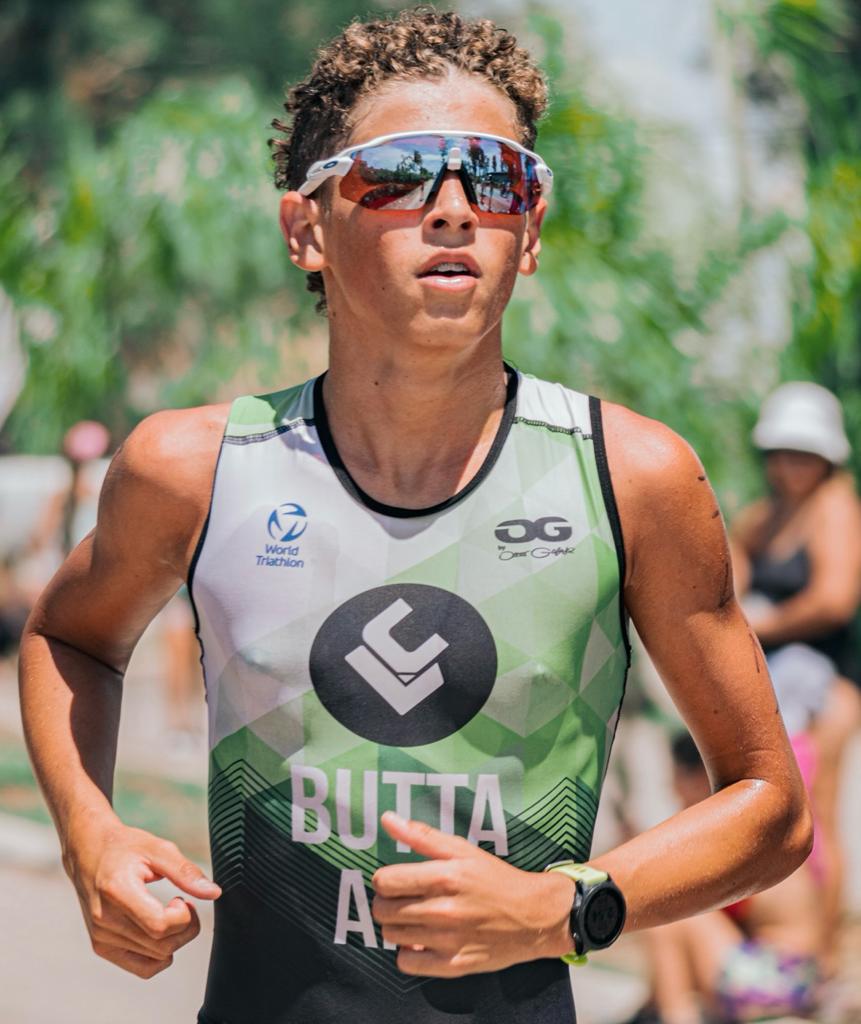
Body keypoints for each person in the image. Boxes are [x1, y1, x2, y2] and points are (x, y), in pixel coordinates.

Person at [18, 10, 811, 1024]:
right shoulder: (196, 469)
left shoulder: (632, 477)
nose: (453, 209)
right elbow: (70, 636)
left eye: (496, 177)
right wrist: (89, 832)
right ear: (306, 229)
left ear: (529, 232)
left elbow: (769, 801)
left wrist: (565, 908)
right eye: (397, 174)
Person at [731, 381, 861, 969]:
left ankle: (825, 959)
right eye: (783, 453)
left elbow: (835, 599)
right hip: (776, 684)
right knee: (779, 816)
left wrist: (762, 623)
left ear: (827, 457)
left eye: (804, 454)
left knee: (818, 819)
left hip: (828, 687)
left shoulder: (835, 506)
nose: (792, 465)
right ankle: (785, 949)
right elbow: (726, 567)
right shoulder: (767, 517)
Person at [644, 733, 823, 1024]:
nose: (673, 790)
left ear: (701, 778)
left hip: (772, 980)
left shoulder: (734, 831)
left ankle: (675, 1015)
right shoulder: (759, 817)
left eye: (677, 778)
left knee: (668, 915)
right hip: (801, 979)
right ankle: (654, 1008)